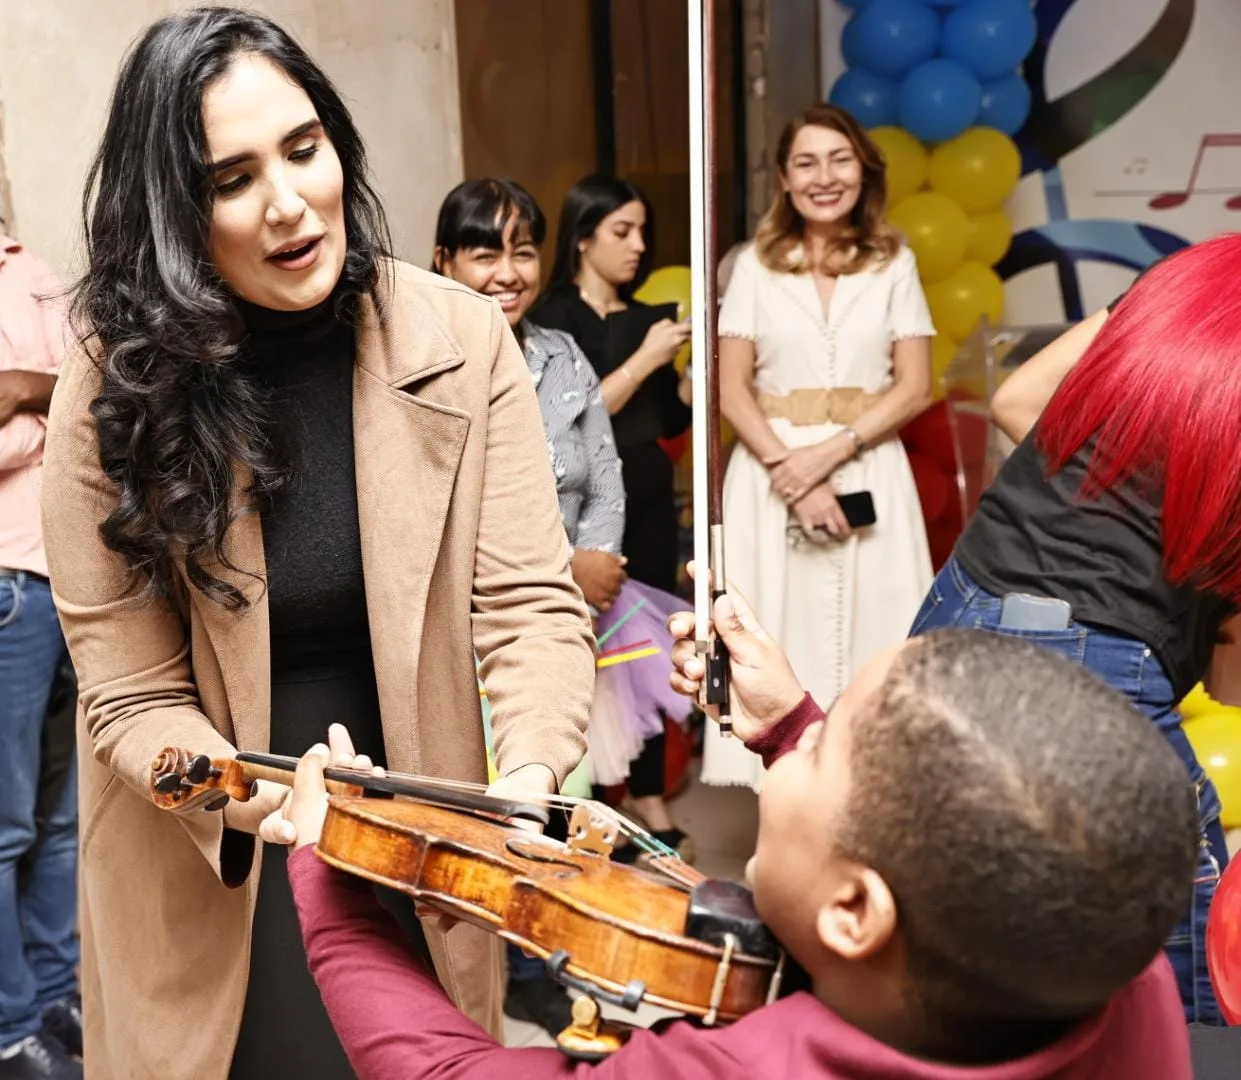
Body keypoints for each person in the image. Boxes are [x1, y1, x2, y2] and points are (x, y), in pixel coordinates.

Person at [38, 10, 594, 1080]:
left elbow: (529, 604)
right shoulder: (112, 385)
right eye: (230, 179)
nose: (290, 203)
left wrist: (524, 776)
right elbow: (128, 693)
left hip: (424, 842)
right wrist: (265, 798)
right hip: (215, 853)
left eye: (305, 149)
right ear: (172, 215)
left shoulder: (461, 340)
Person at [263, 588, 1196, 1078]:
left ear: (852, 911)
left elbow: (445, 1074)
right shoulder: (1120, 964)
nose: (792, 750)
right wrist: (792, 722)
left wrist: (331, 877)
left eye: (818, 750)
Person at [905, 234, 1241, 1025]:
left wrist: (1113, 515)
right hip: (1093, 652)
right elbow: (1231, 678)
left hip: (964, 602)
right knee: (1192, 936)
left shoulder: (1183, 287)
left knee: (960, 903)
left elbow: (1018, 400)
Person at [430, 177, 690, 1034]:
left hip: (560, 620)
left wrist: (597, 558)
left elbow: (602, 469)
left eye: (521, 250)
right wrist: (547, 572)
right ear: (444, 262)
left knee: (557, 790)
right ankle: (489, 964)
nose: (507, 272)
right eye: (484, 252)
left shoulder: (559, 357)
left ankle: (543, 958)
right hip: (463, 633)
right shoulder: (422, 363)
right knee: (473, 808)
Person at [701, 103, 934, 792]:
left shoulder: (894, 261)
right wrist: (790, 473)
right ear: (782, 177)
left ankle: (875, 798)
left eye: (838, 159)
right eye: (805, 162)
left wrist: (827, 456)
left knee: (879, 634)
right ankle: (785, 807)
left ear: (863, 170)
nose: (823, 176)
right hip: (769, 475)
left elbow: (915, 385)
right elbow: (732, 390)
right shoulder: (752, 267)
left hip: (869, 464)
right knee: (781, 635)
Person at [531, 176, 692, 852]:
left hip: (651, 504)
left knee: (644, 653)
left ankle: (650, 799)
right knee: (581, 658)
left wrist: (688, 373)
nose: (638, 247)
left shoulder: (648, 313)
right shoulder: (552, 321)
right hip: (580, 514)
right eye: (622, 232)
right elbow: (579, 414)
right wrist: (647, 357)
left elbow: (671, 415)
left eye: (642, 232)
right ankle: (585, 801)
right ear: (582, 237)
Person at [0, 233, 79, 1080]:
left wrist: (23, 390)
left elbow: (95, 399)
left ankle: (57, 994)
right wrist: (43, 417)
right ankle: (10, 1026)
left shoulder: (32, 268)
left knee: (60, 824)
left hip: (67, 577)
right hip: (3, 586)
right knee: (5, 827)